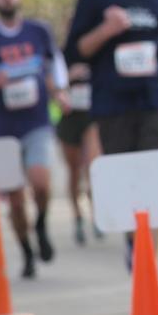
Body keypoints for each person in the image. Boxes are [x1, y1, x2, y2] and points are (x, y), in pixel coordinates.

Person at [64, 0, 158, 275]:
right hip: (113, 104)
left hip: (155, 100)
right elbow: (75, 51)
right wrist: (106, 30)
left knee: (157, 183)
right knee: (128, 185)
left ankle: (151, 271)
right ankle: (135, 246)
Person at [0, 0, 70, 279]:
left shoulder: (38, 31)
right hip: (3, 127)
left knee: (40, 182)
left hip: (36, 121)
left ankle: (41, 223)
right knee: (13, 198)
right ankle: (26, 251)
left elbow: (55, 64)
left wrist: (60, 91)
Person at [56, 60, 100, 246]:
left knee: (93, 167)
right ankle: (77, 217)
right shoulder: (61, 57)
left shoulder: (96, 52)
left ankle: (97, 215)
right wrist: (67, 78)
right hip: (68, 120)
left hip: (91, 118)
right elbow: (50, 85)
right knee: (74, 171)